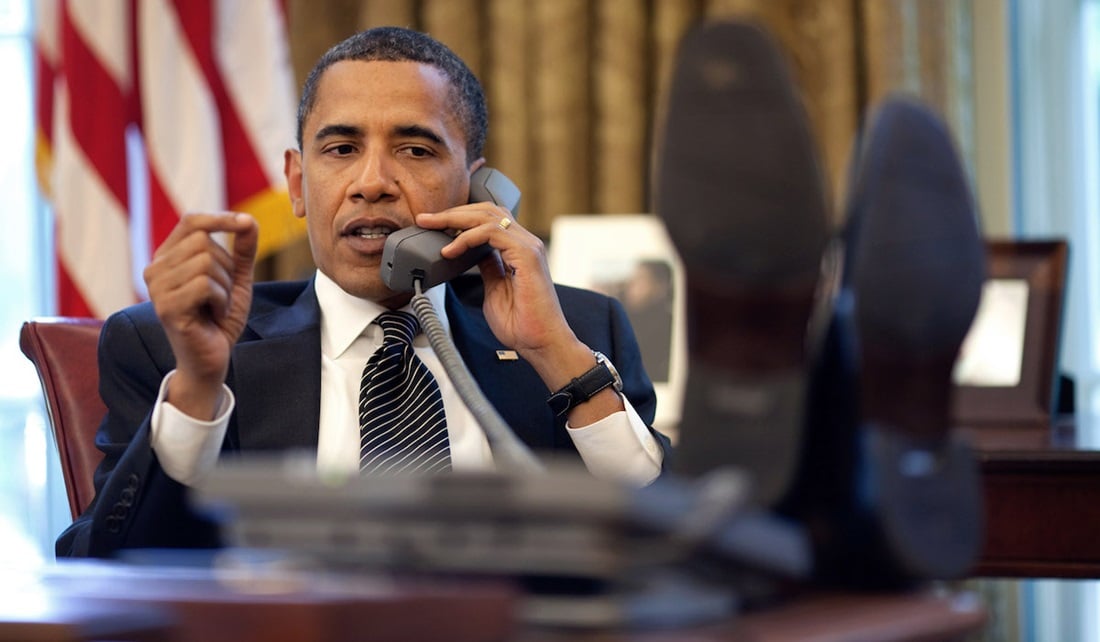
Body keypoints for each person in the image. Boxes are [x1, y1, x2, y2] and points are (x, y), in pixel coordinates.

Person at [58, 26, 671, 558]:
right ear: (299, 184)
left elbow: (681, 546)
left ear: (477, 187)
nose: (372, 182)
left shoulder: (580, 332)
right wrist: (196, 386)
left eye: (415, 149)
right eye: (342, 149)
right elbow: (106, 568)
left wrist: (556, 355)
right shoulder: (175, 347)